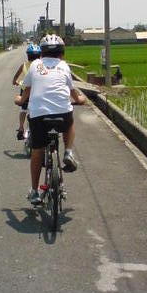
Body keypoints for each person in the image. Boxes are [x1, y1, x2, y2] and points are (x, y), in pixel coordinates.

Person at [15, 34, 86, 204]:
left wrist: (19, 100)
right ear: (62, 53)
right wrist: (80, 100)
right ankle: (68, 152)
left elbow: (25, 94)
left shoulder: (34, 66)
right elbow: (73, 92)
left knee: (37, 151)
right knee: (69, 124)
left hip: (38, 116)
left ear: (42, 53)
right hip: (62, 114)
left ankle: (34, 191)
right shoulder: (64, 66)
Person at [12, 43, 41, 139]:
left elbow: (15, 77)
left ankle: (21, 128)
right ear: (39, 56)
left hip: (25, 91)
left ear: (28, 55)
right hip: (39, 92)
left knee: (23, 109)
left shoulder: (23, 65)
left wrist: (15, 82)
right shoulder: (42, 65)